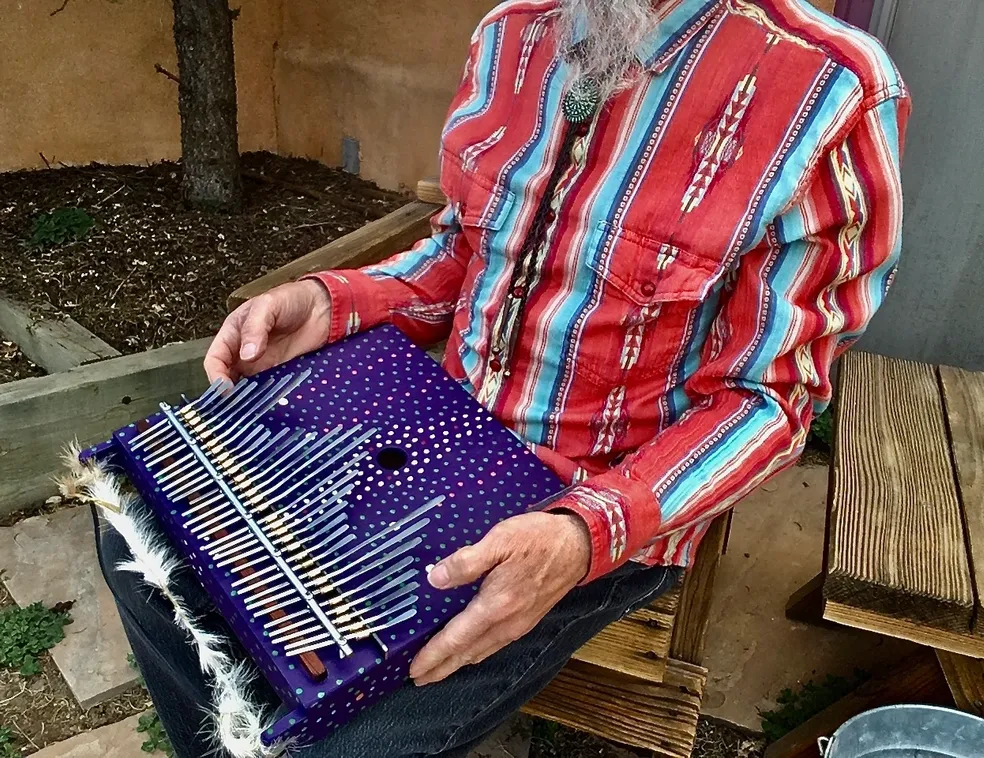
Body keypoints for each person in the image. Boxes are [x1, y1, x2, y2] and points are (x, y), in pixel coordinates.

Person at [99, 0, 909, 755]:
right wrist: (334, 300)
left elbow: (768, 400)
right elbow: (464, 248)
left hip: (592, 502)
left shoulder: (831, 93)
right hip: (428, 420)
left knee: (339, 737)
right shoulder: (512, 33)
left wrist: (581, 534)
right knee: (136, 539)